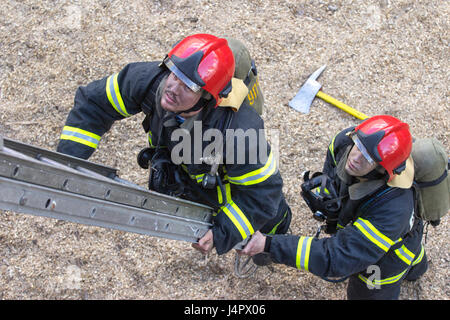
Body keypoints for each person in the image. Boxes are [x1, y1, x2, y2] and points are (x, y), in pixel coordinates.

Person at [57, 33, 291, 262]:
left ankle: (276, 240)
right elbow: (94, 104)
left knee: (270, 221)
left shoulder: (241, 133)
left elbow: (262, 194)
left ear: (208, 97)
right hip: (185, 166)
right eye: (175, 73)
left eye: (189, 86)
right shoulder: (148, 81)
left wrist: (223, 232)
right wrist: (69, 161)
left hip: (222, 184)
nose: (172, 87)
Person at [241, 115, 428, 299]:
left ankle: (415, 268)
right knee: (409, 253)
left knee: (369, 288)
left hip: (391, 253)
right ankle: (418, 265)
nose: (355, 157)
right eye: (359, 145)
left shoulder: (393, 209)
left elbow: (337, 258)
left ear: (382, 170)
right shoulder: (343, 143)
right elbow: (334, 177)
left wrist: (269, 244)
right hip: (390, 231)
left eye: (369, 159)